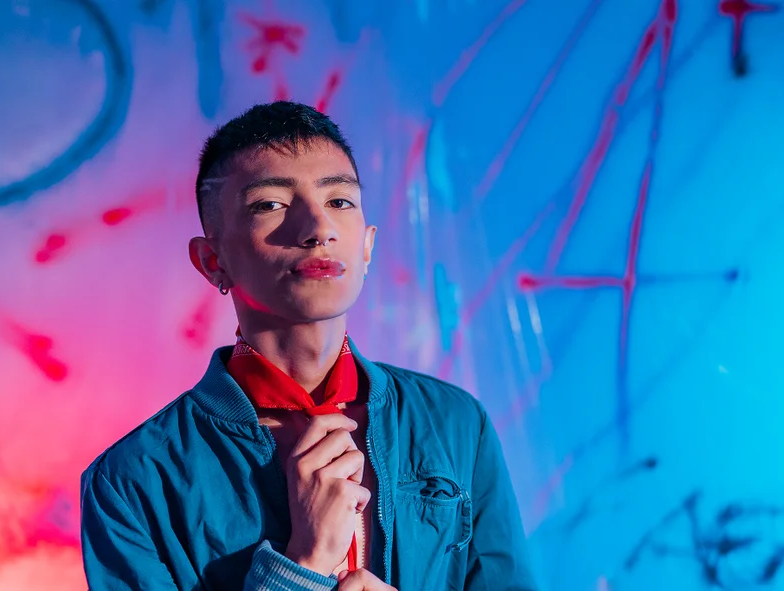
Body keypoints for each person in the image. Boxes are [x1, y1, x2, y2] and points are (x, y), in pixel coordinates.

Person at [80, 101, 538, 590]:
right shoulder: (131, 481)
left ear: (367, 245)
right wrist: (303, 565)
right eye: (270, 204)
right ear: (213, 261)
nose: (319, 229)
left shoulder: (455, 424)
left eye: (339, 201)